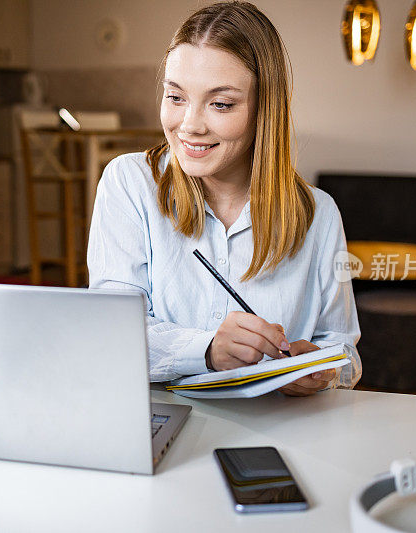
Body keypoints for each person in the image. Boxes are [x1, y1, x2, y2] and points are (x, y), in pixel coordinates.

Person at [87, 1, 360, 396]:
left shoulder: (318, 214)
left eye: (220, 104)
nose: (190, 125)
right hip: (159, 422)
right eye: (175, 97)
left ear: (266, 108)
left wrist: (320, 367)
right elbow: (108, 333)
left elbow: (344, 350)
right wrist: (208, 349)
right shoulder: (129, 183)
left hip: (283, 430)